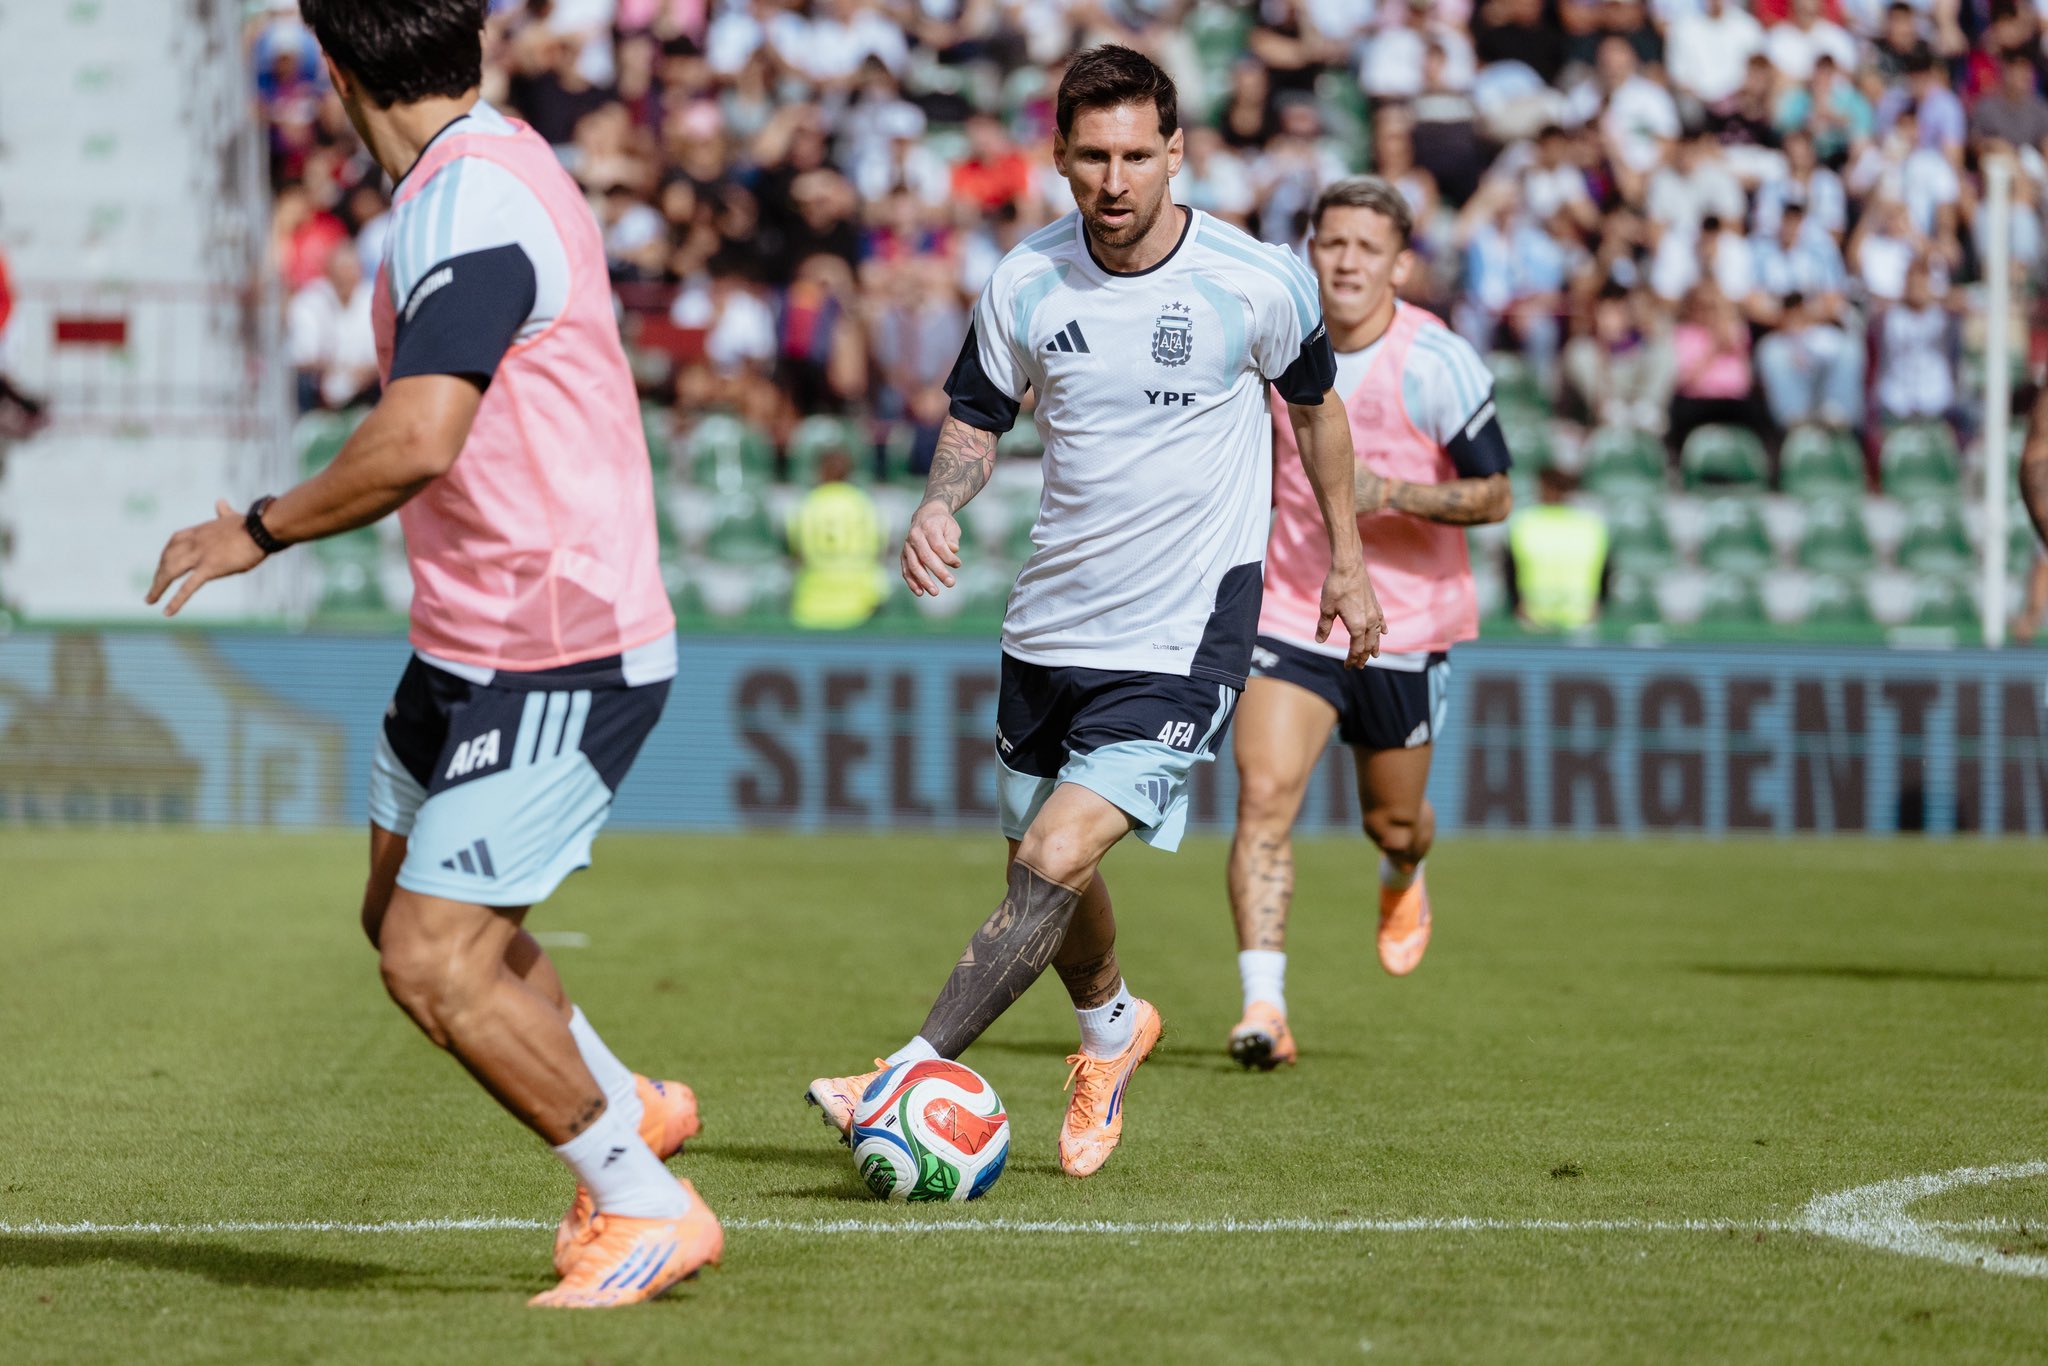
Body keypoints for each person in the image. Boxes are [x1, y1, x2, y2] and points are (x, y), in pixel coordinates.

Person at [144, 0, 718, 1309]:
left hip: (557, 644)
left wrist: (260, 530)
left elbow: (418, 438)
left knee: (433, 954)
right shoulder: (483, 163)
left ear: (337, 74)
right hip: (466, 637)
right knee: (399, 915)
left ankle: (643, 1199)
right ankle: (633, 1104)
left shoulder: (466, 204)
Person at [804, 46, 1383, 1176]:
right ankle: (1109, 1031)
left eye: (1136, 156)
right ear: (1058, 159)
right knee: (1042, 866)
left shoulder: (1255, 279)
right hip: (1050, 622)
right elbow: (977, 415)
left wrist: (1346, 564)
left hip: (1183, 631)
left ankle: (904, 1070)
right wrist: (936, 504)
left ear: (1176, 152)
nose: (1114, 181)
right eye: (1091, 160)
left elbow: (1315, 414)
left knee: (1057, 853)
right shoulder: (1024, 279)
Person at [1224, 176, 1512, 1070]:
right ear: (1312, 250)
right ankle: (1264, 1008)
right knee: (1265, 797)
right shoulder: (1277, 342)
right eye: (1332, 242)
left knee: (1392, 822)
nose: (1346, 260)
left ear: (1400, 262)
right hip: (1294, 607)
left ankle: (1402, 870)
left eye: (1366, 247)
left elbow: (1497, 491)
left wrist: (1397, 494)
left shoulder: (1438, 360)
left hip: (1407, 622)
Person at [789, 446, 885, 629]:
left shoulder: (808, 503)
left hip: (812, 603)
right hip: (860, 603)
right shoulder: (863, 503)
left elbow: (797, 552)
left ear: (820, 472)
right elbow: (879, 548)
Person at [1506, 465, 1609, 629]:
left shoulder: (1524, 521)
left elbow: (1510, 567)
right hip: (1580, 616)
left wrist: (1515, 604)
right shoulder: (1590, 523)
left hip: (1536, 617)